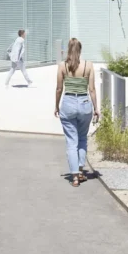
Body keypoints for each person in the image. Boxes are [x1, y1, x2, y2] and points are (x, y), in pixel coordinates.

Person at [54, 37, 98, 187]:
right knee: (82, 138)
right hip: (85, 104)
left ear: (68, 49)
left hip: (68, 103)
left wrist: (56, 106)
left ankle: (74, 177)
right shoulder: (88, 66)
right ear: (80, 50)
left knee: (71, 141)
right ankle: (80, 171)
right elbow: (91, 89)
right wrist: (96, 108)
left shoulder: (62, 66)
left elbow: (59, 89)